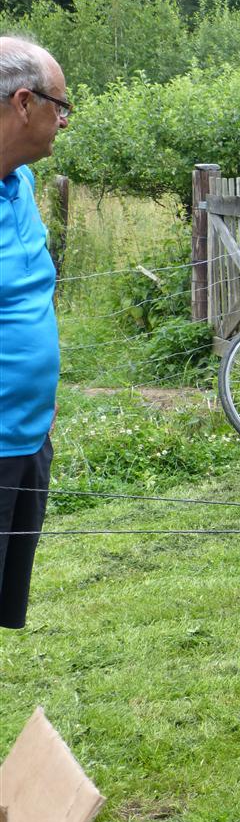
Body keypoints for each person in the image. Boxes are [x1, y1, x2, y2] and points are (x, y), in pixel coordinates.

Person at [0, 37, 70, 630]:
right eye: (59, 105)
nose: (64, 120)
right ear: (24, 103)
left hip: (27, 443)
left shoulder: (18, 182)